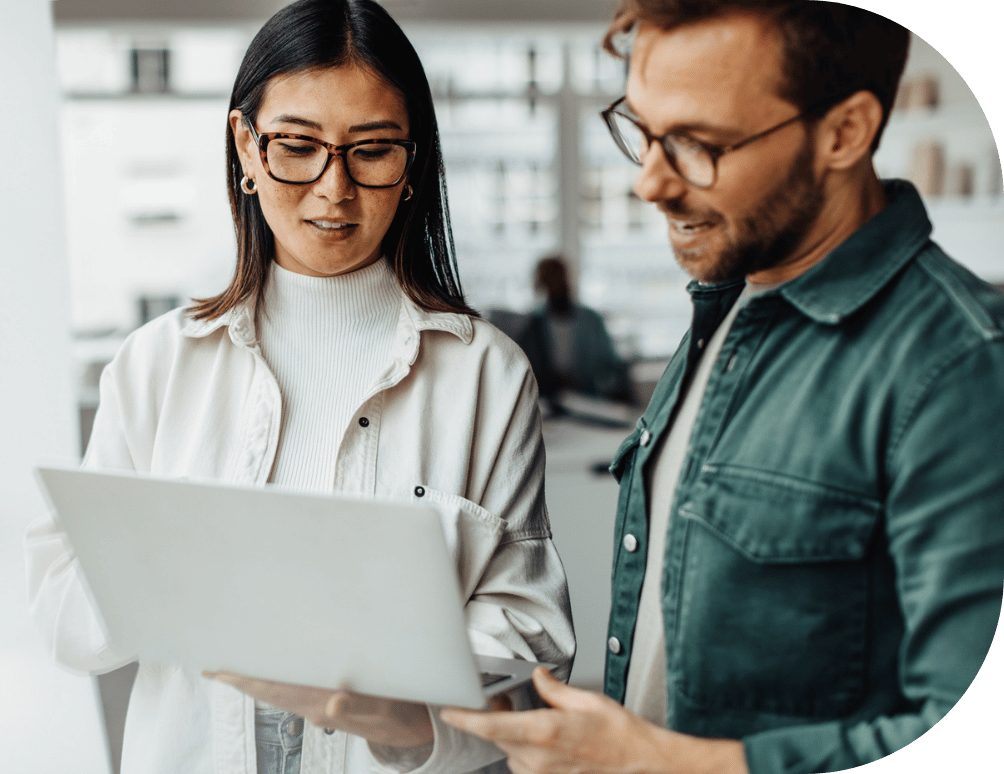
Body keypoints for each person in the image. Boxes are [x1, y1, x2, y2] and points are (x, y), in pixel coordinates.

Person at [441, 2, 1004, 773]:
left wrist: (665, 766)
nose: (648, 182)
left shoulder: (964, 366)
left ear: (844, 132)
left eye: (698, 144)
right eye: (641, 128)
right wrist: (440, 716)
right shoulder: (727, 305)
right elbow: (666, 679)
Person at [24, 1, 574, 773]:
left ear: (413, 161)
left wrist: (408, 716)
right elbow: (62, 620)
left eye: (373, 151)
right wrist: (174, 564)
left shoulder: (487, 374)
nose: (333, 189)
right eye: (297, 146)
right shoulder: (155, 365)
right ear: (246, 148)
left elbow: (535, 643)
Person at [516, 255, 635, 409]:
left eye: (558, 279)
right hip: (548, 406)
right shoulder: (533, 324)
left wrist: (606, 387)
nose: (555, 287)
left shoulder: (592, 321)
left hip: (589, 403)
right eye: (549, 282)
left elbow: (611, 365)